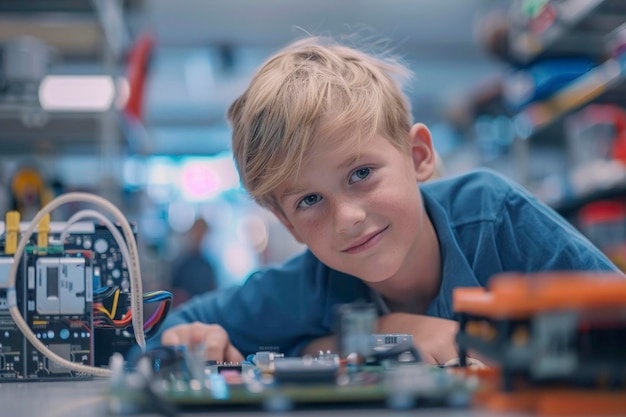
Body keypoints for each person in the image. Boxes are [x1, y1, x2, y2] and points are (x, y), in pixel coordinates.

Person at [149, 36, 621, 366]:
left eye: (361, 174)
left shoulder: (495, 218)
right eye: (310, 199)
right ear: (288, 224)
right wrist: (382, 333)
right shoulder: (311, 284)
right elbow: (152, 341)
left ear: (418, 156)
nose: (348, 218)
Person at [169, 218, 218, 306]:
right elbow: (173, 290)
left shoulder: (207, 265)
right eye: (197, 231)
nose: (199, 236)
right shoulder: (182, 263)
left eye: (202, 232)